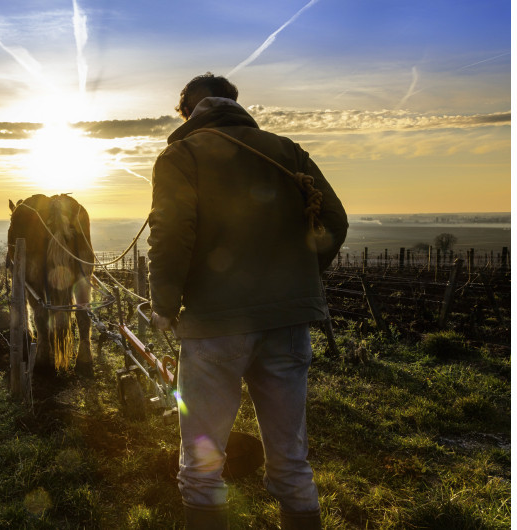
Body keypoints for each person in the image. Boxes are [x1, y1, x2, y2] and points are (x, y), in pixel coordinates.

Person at [147, 73, 348, 530]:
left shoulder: (181, 155)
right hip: (288, 322)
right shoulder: (286, 151)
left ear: (187, 111)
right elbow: (335, 219)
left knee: (201, 463)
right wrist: (300, 279)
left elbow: (172, 233)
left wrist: (165, 301)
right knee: (292, 458)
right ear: (234, 103)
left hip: (214, 324)